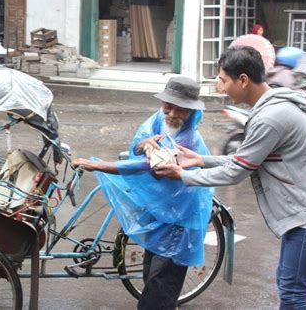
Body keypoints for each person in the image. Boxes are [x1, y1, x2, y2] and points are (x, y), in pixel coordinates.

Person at [154, 46, 306, 309]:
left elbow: (236, 171)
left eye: (223, 80)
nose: (220, 87)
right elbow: (248, 160)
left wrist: (183, 175)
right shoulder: (275, 107)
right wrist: (199, 160)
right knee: (289, 285)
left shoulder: (271, 117)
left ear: (243, 80)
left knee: (293, 293)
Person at [72, 76, 213, 310]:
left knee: (159, 287)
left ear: (192, 111)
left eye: (181, 110)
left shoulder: (188, 140)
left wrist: (98, 165)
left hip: (180, 218)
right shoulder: (159, 119)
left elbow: (149, 167)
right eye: (168, 107)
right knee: (151, 274)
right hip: (160, 211)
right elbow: (138, 143)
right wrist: (145, 143)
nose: (172, 114)